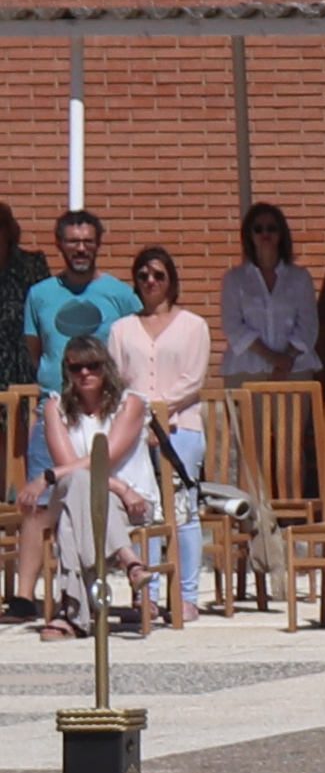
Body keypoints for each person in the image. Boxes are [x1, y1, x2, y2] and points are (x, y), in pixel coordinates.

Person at [25, 338, 159, 637]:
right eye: (76, 367)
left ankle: (72, 613)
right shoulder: (54, 407)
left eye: (93, 366)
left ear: (106, 368)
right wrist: (120, 487)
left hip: (132, 503)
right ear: (67, 371)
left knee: (75, 519)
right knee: (80, 486)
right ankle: (131, 562)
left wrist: (48, 475)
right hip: (106, 492)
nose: (85, 373)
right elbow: (75, 472)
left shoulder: (131, 403)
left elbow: (105, 458)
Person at [105, 248, 207, 624]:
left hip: (181, 427)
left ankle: (186, 595)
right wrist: (137, 420)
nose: (151, 281)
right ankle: (144, 595)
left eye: (159, 275)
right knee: (140, 511)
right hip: (134, 432)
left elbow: (193, 379)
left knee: (182, 511)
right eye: (144, 275)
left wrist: (156, 414)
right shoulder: (121, 329)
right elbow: (114, 381)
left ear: (171, 281)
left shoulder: (194, 325)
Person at [27, 205, 133, 398]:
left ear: (99, 244)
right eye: (73, 242)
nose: (81, 249)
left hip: (107, 407)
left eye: (88, 242)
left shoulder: (122, 295)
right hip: (54, 407)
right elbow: (36, 353)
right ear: (59, 244)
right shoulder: (39, 295)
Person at [218, 205, 317, 391]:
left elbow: (308, 326)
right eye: (258, 229)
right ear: (249, 235)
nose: (265, 233)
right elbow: (232, 326)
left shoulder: (300, 277)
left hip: (294, 370)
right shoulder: (234, 279)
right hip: (246, 371)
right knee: (250, 422)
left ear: (281, 234)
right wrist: (272, 358)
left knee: (292, 422)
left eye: (272, 228)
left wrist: (285, 359)